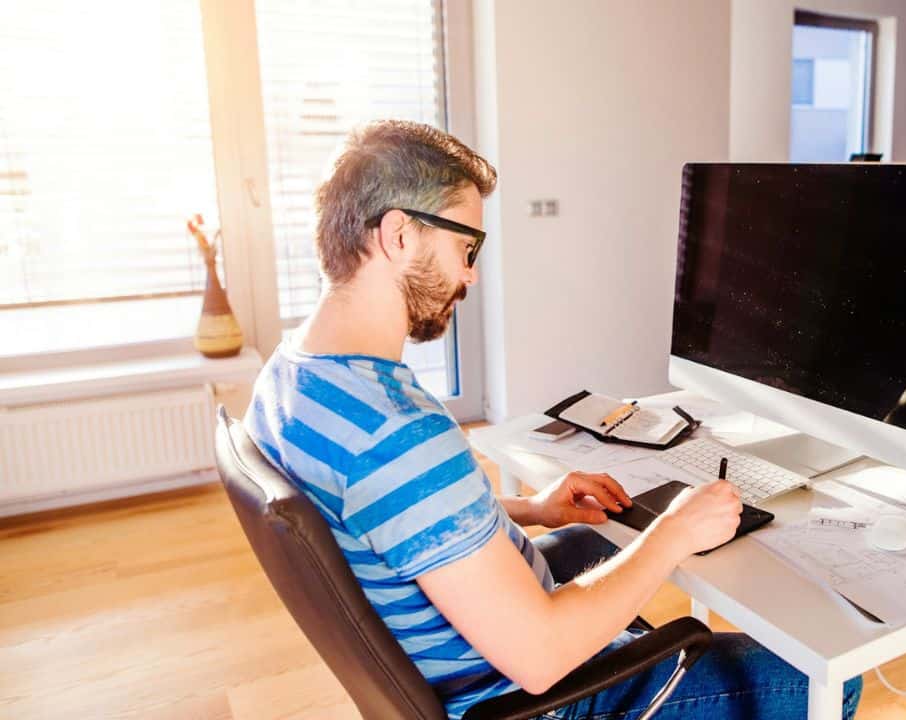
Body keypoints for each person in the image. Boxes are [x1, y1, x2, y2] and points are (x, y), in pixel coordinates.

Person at [245, 119, 862, 719]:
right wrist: (672, 534)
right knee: (830, 680)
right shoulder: (399, 433)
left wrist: (531, 509)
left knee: (609, 537)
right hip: (529, 696)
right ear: (399, 236)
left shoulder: (292, 378)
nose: (470, 273)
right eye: (466, 246)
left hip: (469, 642)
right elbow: (540, 660)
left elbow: (381, 523)